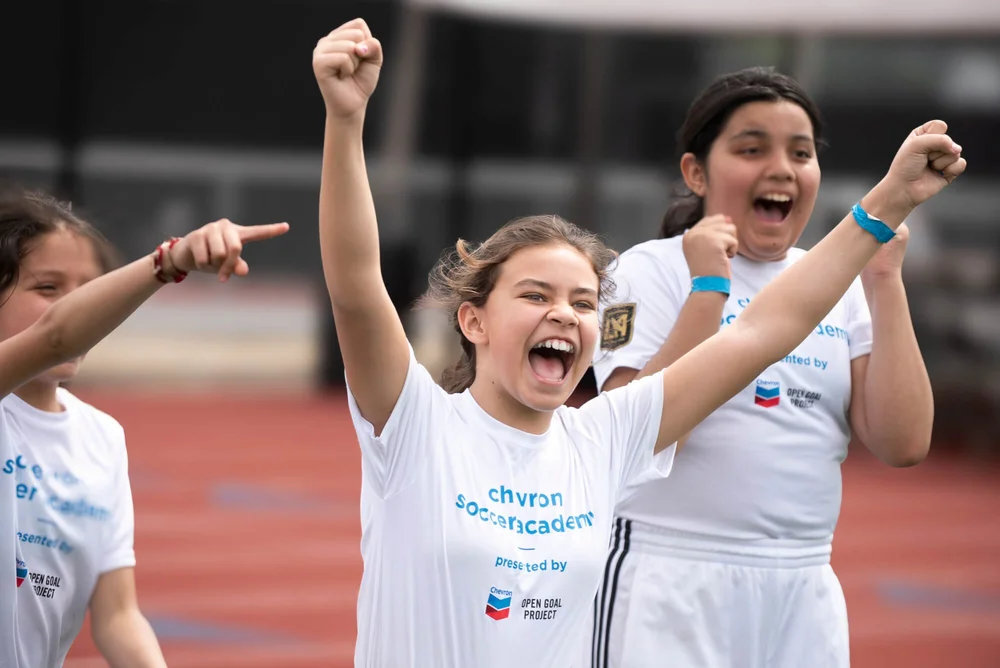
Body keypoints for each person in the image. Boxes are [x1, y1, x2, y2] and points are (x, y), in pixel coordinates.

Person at [312, 18, 966, 668]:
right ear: (474, 321)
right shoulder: (414, 425)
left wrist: (888, 204)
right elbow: (355, 285)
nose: (566, 316)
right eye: (537, 296)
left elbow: (770, 328)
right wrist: (345, 122)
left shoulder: (602, 441)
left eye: (584, 302)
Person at [587, 67, 938, 668]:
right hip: (668, 576)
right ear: (696, 172)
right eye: (752, 149)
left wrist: (883, 279)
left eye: (800, 153)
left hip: (803, 584)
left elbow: (903, 442)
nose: (781, 169)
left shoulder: (839, 282)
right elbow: (636, 436)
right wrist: (708, 287)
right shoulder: (644, 270)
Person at [0, 187, 288, 668]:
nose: (78, 308)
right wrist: (169, 260)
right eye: (48, 287)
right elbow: (56, 336)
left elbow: (117, 616)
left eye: (89, 289)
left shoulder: (101, 437)